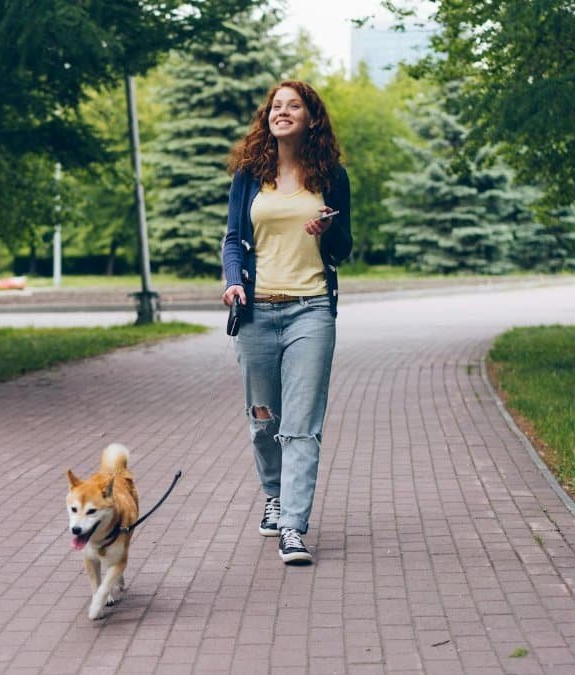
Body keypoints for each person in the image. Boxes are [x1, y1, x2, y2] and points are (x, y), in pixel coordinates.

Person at [221, 80, 352, 565]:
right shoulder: (249, 175)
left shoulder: (331, 175)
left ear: (310, 117)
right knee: (263, 420)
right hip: (256, 311)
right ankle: (273, 495)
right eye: (276, 106)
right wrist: (234, 280)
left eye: (293, 106)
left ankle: (293, 527)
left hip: (311, 310)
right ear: (268, 117)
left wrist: (329, 228)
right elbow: (233, 239)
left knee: (301, 426)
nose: (282, 112)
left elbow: (343, 250)